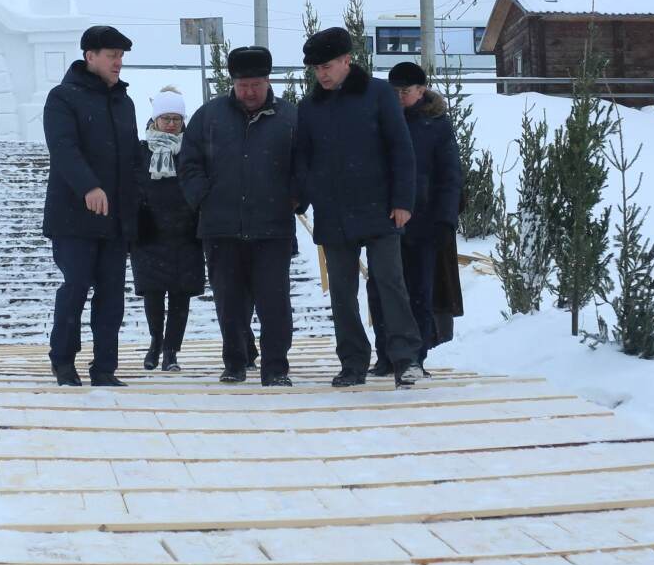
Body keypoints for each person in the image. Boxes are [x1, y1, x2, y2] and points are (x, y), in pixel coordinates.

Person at [293, 26, 422, 388]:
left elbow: (401, 149)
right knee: (342, 293)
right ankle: (352, 362)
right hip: (333, 213)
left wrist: (402, 201)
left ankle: (405, 359)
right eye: (316, 69)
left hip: (380, 209)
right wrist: (299, 196)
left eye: (327, 66)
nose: (322, 74)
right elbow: (303, 158)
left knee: (390, 283)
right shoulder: (310, 107)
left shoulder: (378, 95)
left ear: (347, 60)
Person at [179, 45, 298, 386]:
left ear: (268, 81)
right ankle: (234, 362)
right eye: (242, 85)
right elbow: (188, 163)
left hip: (273, 228)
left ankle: (276, 368)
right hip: (220, 227)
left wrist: (296, 196)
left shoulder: (289, 118)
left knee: (274, 303)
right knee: (228, 301)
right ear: (232, 83)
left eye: (255, 85)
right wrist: (203, 198)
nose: (249, 92)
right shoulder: (209, 116)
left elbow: (305, 164)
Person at [42, 25, 141, 387]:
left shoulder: (124, 102)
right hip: (73, 217)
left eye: (121, 56)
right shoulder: (62, 98)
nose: (118, 62)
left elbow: (132, 158)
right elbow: (63, 148)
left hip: (114, 219)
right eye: (112, 55)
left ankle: (104, 369)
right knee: (76, 287)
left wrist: (137, 203)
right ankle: (63, 361)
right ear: (90, 57)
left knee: (112, 296)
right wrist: (89, 185)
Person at [369, 60, 464, 377]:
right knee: (381, 291)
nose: (398, 97)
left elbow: (450, 177)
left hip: (424, 223)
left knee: (420, 292)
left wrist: (446, 221)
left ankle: (415, 357)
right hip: (384, 222)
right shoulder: (381, 121)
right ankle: (385, 355)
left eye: (405, 91)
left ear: (421, 90)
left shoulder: (436, 125)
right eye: (393, 91)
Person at [133, 88, 205, 371]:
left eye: (177, 118)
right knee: (153, 294)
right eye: (166, 118)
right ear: (155, 120)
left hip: (185, 232)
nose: (172, 124)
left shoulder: (192, 150)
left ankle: (171, 351)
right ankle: (155, 342)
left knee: (180, 296)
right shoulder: (141, 151)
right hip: (150, 232)